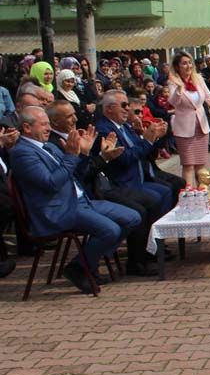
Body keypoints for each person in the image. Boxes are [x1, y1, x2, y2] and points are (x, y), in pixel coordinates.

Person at [8, 106, 140, 294]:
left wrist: (84, 154)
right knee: (110, 230)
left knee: (132, 217)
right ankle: (82, 267)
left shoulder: (49, 146)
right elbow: (51, 183)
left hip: (80, 201)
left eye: (48, 123)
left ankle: (84, 263)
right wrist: (70, 156)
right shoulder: (22, 153)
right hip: (58, 210)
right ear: (27, 128)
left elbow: (78, 173)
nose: (48, 128)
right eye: (43, 124)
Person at [93, 90, 173, 214]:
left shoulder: (124, 126)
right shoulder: (104, 129)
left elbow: (144, 152)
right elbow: (125, 158)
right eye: (124, 105)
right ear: (109, 108)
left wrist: (155, 137)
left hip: (138, 179)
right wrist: (147, 140)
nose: (127, 109)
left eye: (128, 105)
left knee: (167, 190)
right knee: (155, 199)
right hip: (123, 184)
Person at [167, 52, 210, 188]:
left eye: (190, 63)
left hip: (201, 126)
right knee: (188, 165)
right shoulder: (173, 82)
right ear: (177, 67)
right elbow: (173, 102)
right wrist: (179, 88)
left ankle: (203, 193)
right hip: (184, 129)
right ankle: (189, 194)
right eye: (184, 63)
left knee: (200, 164)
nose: (188, 66)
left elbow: (208, 97)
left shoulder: (198, 78)